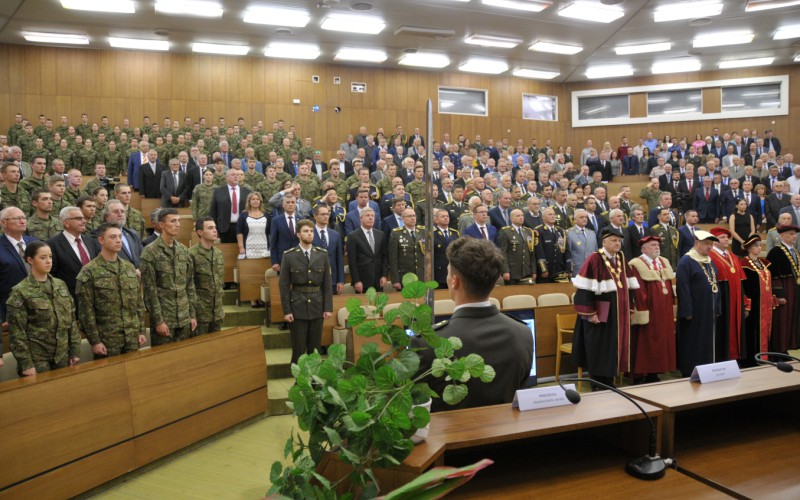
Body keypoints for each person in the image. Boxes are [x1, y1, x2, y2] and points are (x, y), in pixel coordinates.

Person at [413, 237, 533, 412]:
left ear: (454, 281)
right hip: (508, 435)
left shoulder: (427, 342)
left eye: (448, 273)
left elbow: (416, 409)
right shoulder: (522, 333)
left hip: (450, 437)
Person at [572, 227, 639, 388]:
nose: (617, 244)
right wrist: (590, 313)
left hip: (618, 314)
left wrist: (629, 308)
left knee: (614, 347)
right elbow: (584, 289)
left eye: (619, 241)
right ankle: (598, 382)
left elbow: (628, 285)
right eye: (614, 241)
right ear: (604, 242)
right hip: (600, 313)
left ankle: (609, 380)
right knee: (600, 348)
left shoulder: (621, 257)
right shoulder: (594, 259)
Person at [7, 241, 80, 376]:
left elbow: (71, 320)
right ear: (30, 260)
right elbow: (17, 333)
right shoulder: (20, 291)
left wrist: (75, 351)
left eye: (50, 257)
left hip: (63, 356)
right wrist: (26, 364)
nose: (48, 261)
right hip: (37, 359)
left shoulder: (60, 285)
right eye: (43, 257)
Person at [75, 223, 146, 358]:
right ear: (101, 240)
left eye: (119, 236)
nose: (118, 240)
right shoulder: (89, 271)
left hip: (131, 335)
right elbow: (86, 311)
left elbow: (138, 303)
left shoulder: (128, 267)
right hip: (107, 338)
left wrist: (141, 330)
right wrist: (94, 341)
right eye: (113, 237)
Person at [279, 219, 333, 365]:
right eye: (305, 231)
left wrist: (328, 308)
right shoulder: (289, 255)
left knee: (314, 348)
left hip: (317, 304)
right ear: (298, 234)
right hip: (298, 306)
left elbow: (327, 283)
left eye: (311, 231)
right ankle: (299, 382)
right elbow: (284, 285)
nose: (309, 234)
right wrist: (287, 310)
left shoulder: (321, 254)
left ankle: (314, 381)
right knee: (298, 348)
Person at [140, 209, 197, 345]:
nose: (177, 224)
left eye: (179, 221)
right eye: (173, 221)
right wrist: (158, 321)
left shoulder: (183, 251)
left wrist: (192, 315)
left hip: (184, 318)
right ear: (162, 225)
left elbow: (189, 285)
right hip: (165, 319)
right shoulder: (150, 252)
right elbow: (150, 291)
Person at [628, 236, 676, 383]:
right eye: (653, 245)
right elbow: (637, 290)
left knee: (661, 340)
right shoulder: (636, 264)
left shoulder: (663, 262)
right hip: (649, 310)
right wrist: (642, 310)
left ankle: (655, 371)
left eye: (658, 245)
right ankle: (641, 373)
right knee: (646, 341)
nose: (657, 247)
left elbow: (668, 286)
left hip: (664, 310)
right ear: (644, 249)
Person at [676, 230, 723, 377]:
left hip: (709, 309)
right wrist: (687, 312)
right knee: (694, 341)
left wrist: (717, 306)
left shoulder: (709, 260)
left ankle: (708, 368)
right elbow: (682, 288)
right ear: (696, 243)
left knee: (708, 340)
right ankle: (691, 370)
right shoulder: (686, 261)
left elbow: (715, 285)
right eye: (706, 244)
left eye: (711, 244)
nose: (710, 247)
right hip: (695, 311)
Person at [708, 227, 748, 361]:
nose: (727, 240)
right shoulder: (710, 256)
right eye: (723, 237)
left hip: (736, 300)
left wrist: (745, 302)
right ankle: (724, 358)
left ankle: (736, 356)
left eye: (727, 237)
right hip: (722, 299)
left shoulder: (733, 256)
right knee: (723, 329)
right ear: (714, 241)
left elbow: (741, 281)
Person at [47, 206, 100, 298]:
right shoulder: (52, 244)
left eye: (83, 218)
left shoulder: (91, 241)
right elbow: (51, 275)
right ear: (66, 222)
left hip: (94, 296)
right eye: (79, 218)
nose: (84, 221)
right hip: (69, 298)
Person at [740, 235, 777, 367]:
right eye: (756, 246)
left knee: (768, 329)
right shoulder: (744, 264)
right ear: (749, 248)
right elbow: (744, 287)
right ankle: (754, 358)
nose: (759, 248)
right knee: (753, 331)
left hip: (765, 304)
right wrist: (747, 305)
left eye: (760, 245)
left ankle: (767, 355)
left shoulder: (763, 263)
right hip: (755, 305)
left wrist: (772, 297)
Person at [766, 224, 800, 352]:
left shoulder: (795, 251)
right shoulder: (775, 252)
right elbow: (773, 275)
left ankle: (793, 344)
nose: (794, 236)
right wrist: (779, 294)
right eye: (791, 234)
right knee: (783, 319)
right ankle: (781, 348)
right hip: (785, 290)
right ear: (782, 235)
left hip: (795, 289)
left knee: (794, 317)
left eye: (795, 234)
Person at [189, 217, 225, 336]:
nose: (215, 230)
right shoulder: (191, 254)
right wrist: (192, 314)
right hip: (201, 312)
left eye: (215, 227)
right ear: (200, 232)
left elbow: (219, 282)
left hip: (217, 312)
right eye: (210, 228)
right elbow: (189, 286)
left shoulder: (218, 254)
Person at [210, 169, 251, 244]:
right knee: (227, 252)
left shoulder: (246, 191)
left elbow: (250, 210)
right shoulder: (218, 191)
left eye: (237, 175)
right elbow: (213, 211)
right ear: (227, 177)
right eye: (233, 175)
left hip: (243, 227)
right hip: (224, 228)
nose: (236, 176)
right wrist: (214, 228)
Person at [388, 207, 424, 290]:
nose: (412, 218)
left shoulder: (422, 232)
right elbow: (393, 259)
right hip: (405, 276)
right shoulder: (396, 234)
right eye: (409, 216)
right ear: (403, 219)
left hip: (421, 276)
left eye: (414, 216)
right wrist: (395, 280)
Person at [312, 204, 344, 295]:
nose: (326, 216)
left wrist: (340, 280)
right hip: (314, 279)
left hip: (332, 279)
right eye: (322, 214)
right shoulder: (310, 233)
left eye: (327, 214)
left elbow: (339, 259)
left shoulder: (335, 234)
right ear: (315, 216)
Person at [497, 208, 536, 285]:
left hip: (526, 270)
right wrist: (505, 271)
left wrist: (534, 271)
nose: (521, 217)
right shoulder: (505, 232)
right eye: (518, 216)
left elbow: (531, 253)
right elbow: (503, 253)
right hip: (513, 272)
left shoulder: (528, 231)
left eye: (522, 215)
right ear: (511, 218)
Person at [534, 207, 571, 283]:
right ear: (543, 217)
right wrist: (543, 269)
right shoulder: (539, 231)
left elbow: (567, 251)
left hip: (560, 269)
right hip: (547, 270)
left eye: (554, 214)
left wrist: (569, 269)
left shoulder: (561, 231)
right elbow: (539, 253)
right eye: (550, 214)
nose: (553, 216)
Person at [567, 209, 598, 277]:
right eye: (581, 217)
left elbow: (596, 252)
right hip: (577, 270)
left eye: (585, 217)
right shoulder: (569, 234)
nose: (584, 219)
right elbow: (568, 254)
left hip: (591, 269)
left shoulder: (592, 233)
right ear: (574, 220)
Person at [433, 209, 458, 289]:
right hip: (439, 273)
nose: (446, 218)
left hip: (453, 272)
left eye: (447, 216)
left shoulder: (455, 233)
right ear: (436, 220)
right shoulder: (432, 234)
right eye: (443, 216)